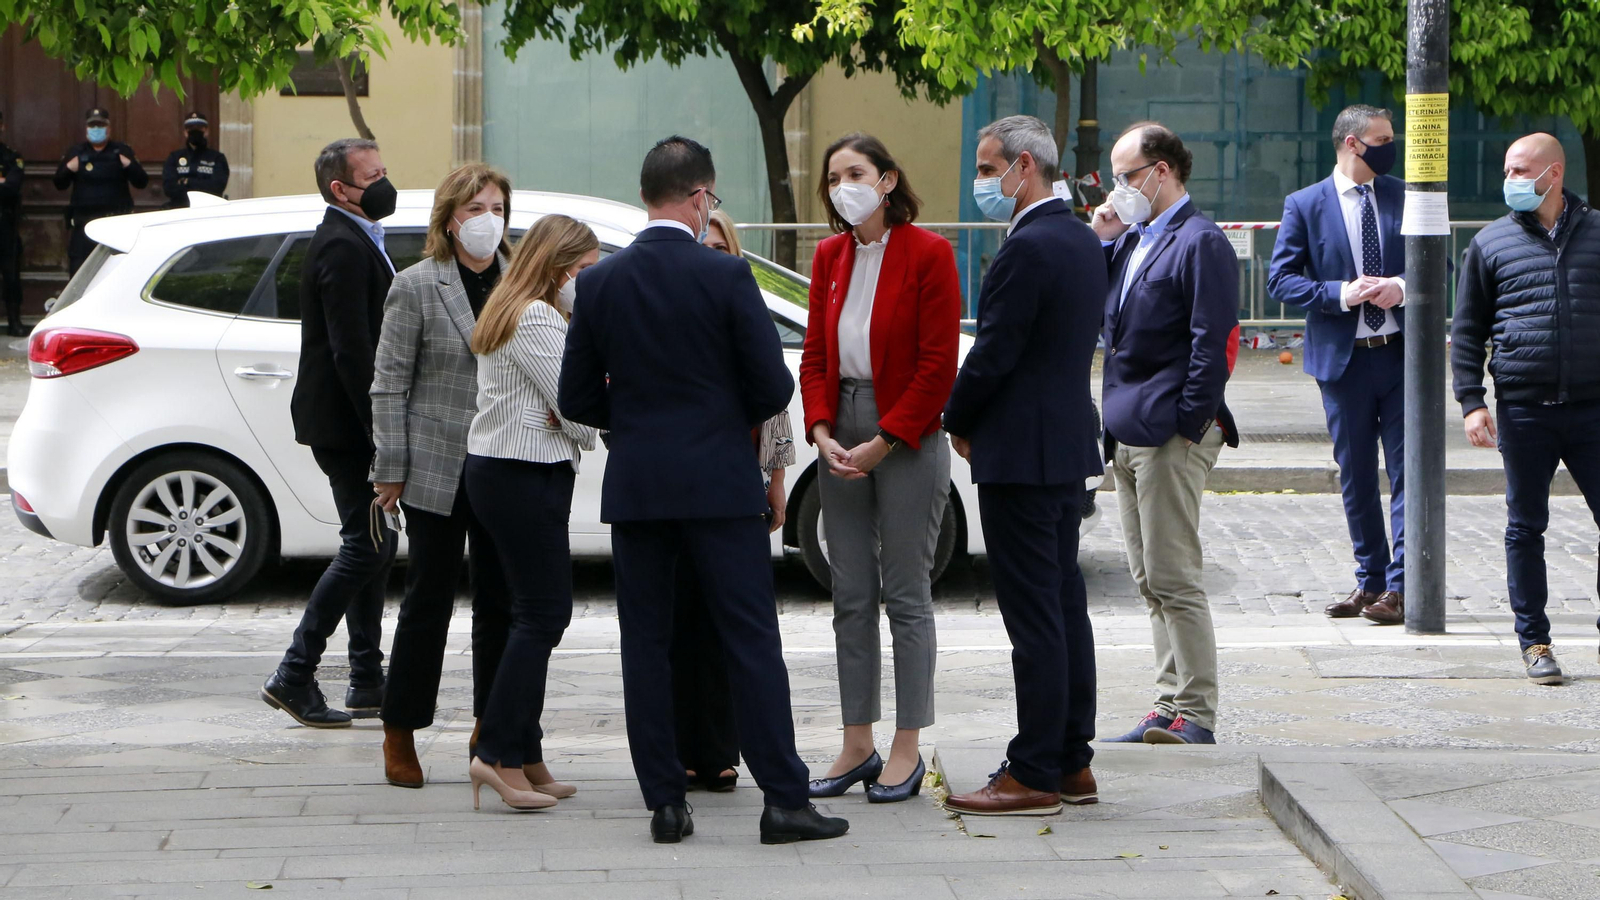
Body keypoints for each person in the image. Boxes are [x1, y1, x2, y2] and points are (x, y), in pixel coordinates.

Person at [558, 135, 848, 845]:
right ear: (698, 197)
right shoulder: (725, 275)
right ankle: (783, 800)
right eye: (709, 198)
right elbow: (772, 384)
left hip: (640, 487)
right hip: (720, 484)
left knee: (645, 644)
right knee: (750, 639)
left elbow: (576, 396)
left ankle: (665, 802)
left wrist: (635, 419)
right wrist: (718, 416)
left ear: (644, 197)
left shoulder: (600, 283)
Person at [939, 116, 1106, 816]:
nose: (982, 181)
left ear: (1025, 167)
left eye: (988, 168)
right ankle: (1070, 759)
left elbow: (994, 352)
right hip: (1062, 446)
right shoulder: (1080, 238)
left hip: (1020, 452)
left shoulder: (1028, 247)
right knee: (1063, 606)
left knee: (1036, 616)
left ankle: (1034, 769)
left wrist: (956, 417)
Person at [799, 132, 959, 804]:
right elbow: (814, 355)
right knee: (851, 593)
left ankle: (906, 745)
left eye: (856, 173)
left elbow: (938, 364)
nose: (844, 188)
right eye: (834, 177)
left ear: (888, 180)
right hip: (842, 423)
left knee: (907, 592)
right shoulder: (830, 256)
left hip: (909, 432)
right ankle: (856, 739)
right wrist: (821, 430)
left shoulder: (929, 252)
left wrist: (886, 440)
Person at [368, 163, 516, 789]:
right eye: (475, 208)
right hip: (436, 463)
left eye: (497, 208)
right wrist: (391, 468)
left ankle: (493, 730)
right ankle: (400, 728)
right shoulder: (416, 285)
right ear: (450, 218)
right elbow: (389, 382)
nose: (488, 220)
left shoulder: (521, 281)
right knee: (427, 600)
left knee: (501, 601)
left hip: (505, 461)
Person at [1092, 122, 1238, 746]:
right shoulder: (1132, 240)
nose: (1117, 190)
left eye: (1126, 176)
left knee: (1174, 577)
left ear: (1162, 172)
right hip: (1128, 428)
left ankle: (1196, 711)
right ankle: (1167, 703)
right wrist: (1101, 241)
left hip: (1169, 432)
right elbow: (1102, 316)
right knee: (1149, 578)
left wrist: (1189, 423)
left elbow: (1213, 342)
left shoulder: (1199, 240)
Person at [463, 213, 601, 812]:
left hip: (504, 471)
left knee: (525, 615)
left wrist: (569, 412)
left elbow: (563, 403)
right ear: (557, 266)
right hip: (524, 472)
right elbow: (578, 409)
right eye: (585, 269)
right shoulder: (538, 316)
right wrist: (581, 418)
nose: (589, 281)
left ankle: (525, 752)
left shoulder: (510, 306)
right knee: (545, 614)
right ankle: (494, 752)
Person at [1453, 132, 1600, 686]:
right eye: (1508, 171)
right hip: (1524, 409)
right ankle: (1534, 642)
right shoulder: (1490, 243)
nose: (1510, 180)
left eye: (1519, 170)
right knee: (1525, 528)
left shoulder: (1597, 233)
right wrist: (1471, 401)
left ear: (1553, 173)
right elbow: (1468, 329)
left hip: (1593, 408)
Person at [261, 138, 399, 728]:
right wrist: (381, 430)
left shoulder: (360, 237)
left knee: (376, 544)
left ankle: (367, 680)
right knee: (367, 545)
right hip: (347, 426)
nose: (384, 183)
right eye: (372, 176)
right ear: (340, 190)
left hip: (348, 422)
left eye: (384, 171)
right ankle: (295, 673)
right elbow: (352, 350)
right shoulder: (342, 245)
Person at [670, 208, 796, 794]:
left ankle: (721, 750)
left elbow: (775, 401)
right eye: (703, 246)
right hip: (678, 488)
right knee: (681, 620)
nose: (711, 257)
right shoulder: (671, 307)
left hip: (739, 482)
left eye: (720, 248)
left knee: (733, 624)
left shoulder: (744, 307)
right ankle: (681, 748)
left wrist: (776, 478)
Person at [1267, 105, 1408, 626]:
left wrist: (1401, 287)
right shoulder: (1306, 204)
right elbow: (1280, 279)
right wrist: (1340, 293)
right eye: (1383, 139)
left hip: (1400, 355)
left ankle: (1400, 586)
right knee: (1357, 475)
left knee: (1408, 473)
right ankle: (1371, 579)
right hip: (1343, 364)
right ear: (1352, 143)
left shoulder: (1404, 196)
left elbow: (1437, 264)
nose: (1391, 147)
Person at [53, 108, 148, 274]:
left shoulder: (121, 150)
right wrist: (69, 168)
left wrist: (128, 164)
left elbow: (141, 181)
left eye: (101, 125)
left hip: (115, 224)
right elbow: (59, 184)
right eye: (92, 126)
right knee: (80, 272)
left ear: (109, 128)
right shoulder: (76, 152)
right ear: (86, 129)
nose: (96, 129)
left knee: (117, 272)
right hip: (84, 226)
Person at [162, 111, 229, 208]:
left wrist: (187, 181)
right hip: (179, 208)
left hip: (209, 209)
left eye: (199, 128)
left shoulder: (217, 158)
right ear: (185, 132)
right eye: (191, 128)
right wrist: (202, 184)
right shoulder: (174, 157)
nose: (195, 131)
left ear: (206, 131)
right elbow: (169, 188)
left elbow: (217, 187)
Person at [0, 111, 25, 336]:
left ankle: (14, 320)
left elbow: (11, 189)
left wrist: (5, 185)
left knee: (11, 275)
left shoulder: (10, 157)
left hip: (5, 224)